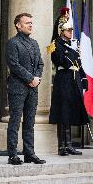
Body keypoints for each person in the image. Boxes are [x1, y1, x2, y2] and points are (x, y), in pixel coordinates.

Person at [5, 13, 46, 165]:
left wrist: (37, 79)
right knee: (15, 122)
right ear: (18, 25)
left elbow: (40, 64)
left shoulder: (34, 43)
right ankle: (13, 155)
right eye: (27, 23)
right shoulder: (13, 43)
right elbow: (14, 65)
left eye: (31, 23)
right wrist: (30, 79)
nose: (30, 25)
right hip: (17, 88)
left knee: (30, 122)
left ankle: (29, 154)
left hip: (33, 89)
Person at [48, 21, 89, 156]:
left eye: (71, 30)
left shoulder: (71, 45)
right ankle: (62, 147)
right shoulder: (56, 45)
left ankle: (69, 145)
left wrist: (83, 80)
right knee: (63, 112)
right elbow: (62, 61)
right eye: (68, 30)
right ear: (61, 31)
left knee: (70, 112)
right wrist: (71, 50)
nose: (71, 32)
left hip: (74, 81)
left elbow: (79, 65)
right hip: (64, 81)